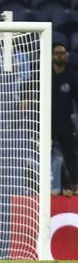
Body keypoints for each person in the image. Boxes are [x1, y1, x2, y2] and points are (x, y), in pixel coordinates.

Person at [51, 44, 78, 194]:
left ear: (66, 55)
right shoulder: (45, 75)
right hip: (47, 122)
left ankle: (74, 185)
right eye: (57, 53)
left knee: (70, 154)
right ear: (52, 56)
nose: (60, 55)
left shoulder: (72, 77)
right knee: (46, 155)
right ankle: (48, 186)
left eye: (62, 53)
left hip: (65, 122)